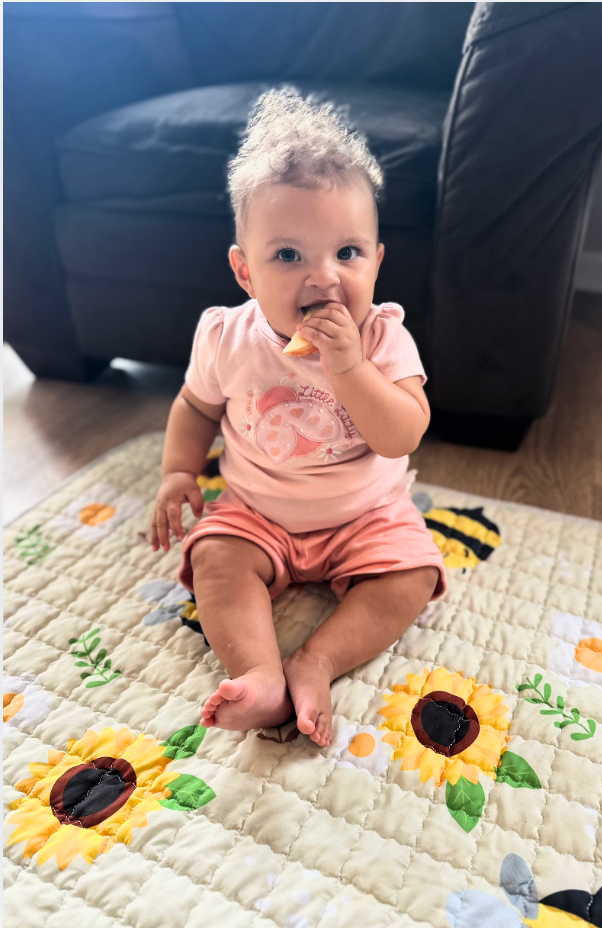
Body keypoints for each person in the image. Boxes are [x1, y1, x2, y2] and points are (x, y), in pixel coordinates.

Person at [150, 88, 447, 748]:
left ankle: (316, 662)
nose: (324, 278)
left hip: (364, 512)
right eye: (288, 256)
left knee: (414, 575)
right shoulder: (226, 337)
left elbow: (401, 432)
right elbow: (195, 406)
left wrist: (350, 370)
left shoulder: (382, 339)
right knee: (216, 561)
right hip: (257, 508)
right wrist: (178, 471)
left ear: (376, 261)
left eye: (347, 253)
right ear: (244, 271)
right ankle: (260, 674)